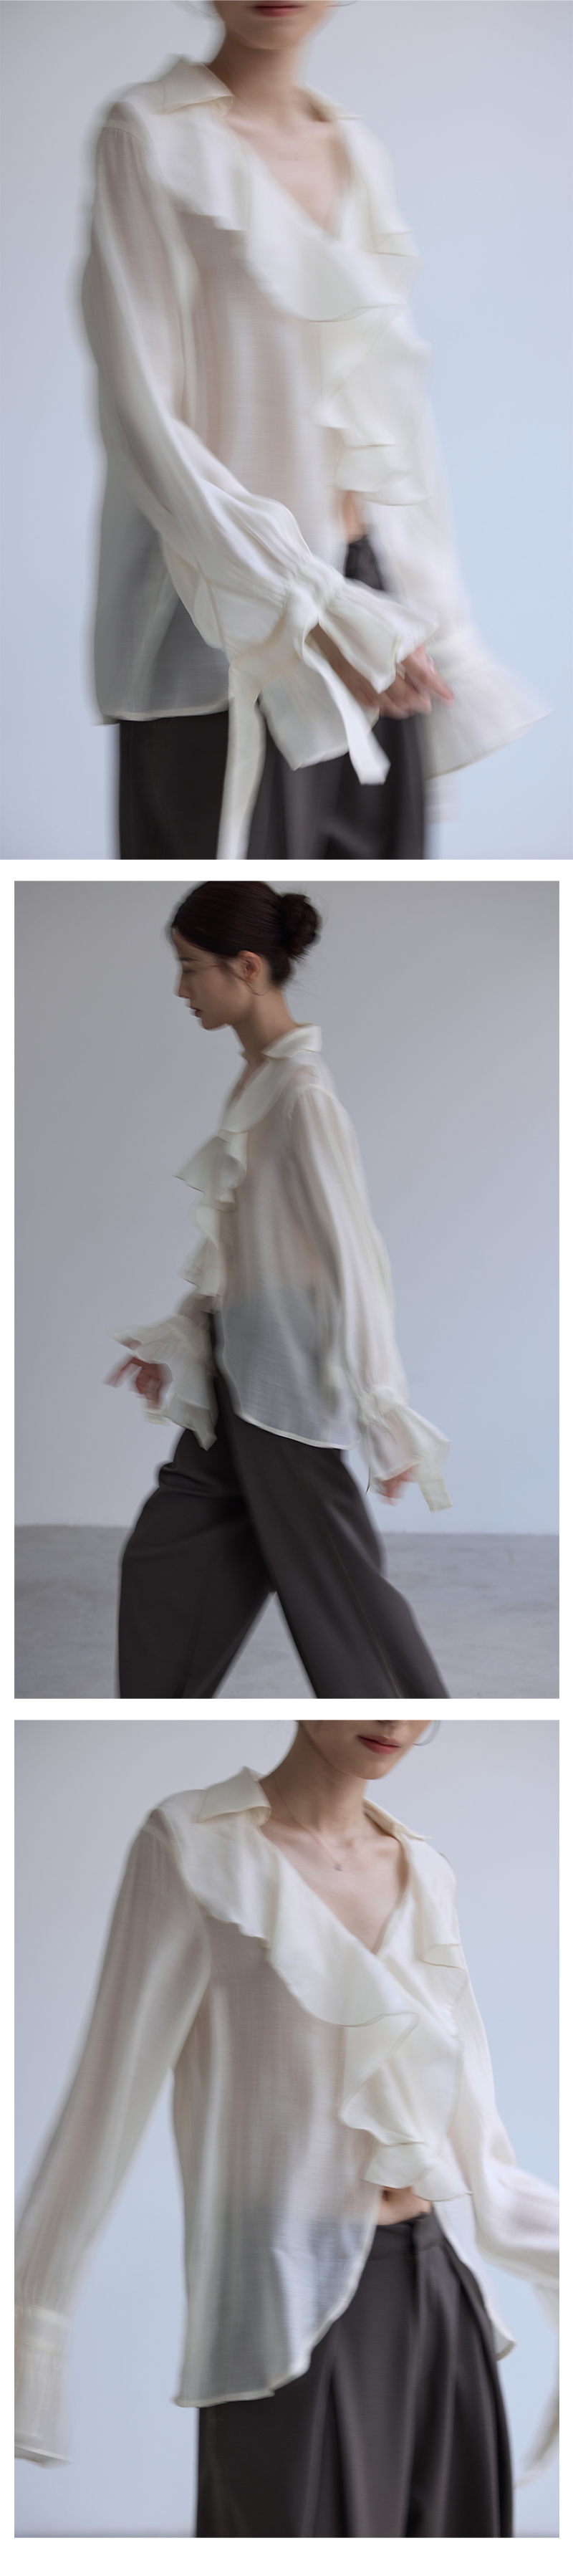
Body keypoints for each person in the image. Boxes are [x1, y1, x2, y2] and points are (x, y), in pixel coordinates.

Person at [15, 1721, 559, 2536]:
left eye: (415, 1704)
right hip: (286, 2305)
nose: (395, 1722)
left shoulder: (426, 1869)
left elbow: (471, 2130)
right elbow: (105, 2094)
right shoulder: (194, 1847)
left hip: (442, 2286)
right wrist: (32, 2324)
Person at [81, 1, 541, 863]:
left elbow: (396, 423)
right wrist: (309, 609)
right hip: (222, 605)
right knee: (228, 891)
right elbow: (144, 420)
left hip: (372, 591)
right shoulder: (146, 135)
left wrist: (435, 625)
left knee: (376, 907)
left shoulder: (358, 151)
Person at [110, 878, 451, 1699]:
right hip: (241, 1370)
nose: (180, 989)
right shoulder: (257, 1080)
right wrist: (184, 1337)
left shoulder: (302, 1095)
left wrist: (382, 1409)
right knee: (166, 1563)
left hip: (288, 1387)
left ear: (247, 967)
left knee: (340, 1599)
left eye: (191, 968)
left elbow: (351, 1260)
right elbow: (245, 1250)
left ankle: (400, 1718)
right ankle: (159, 1716)